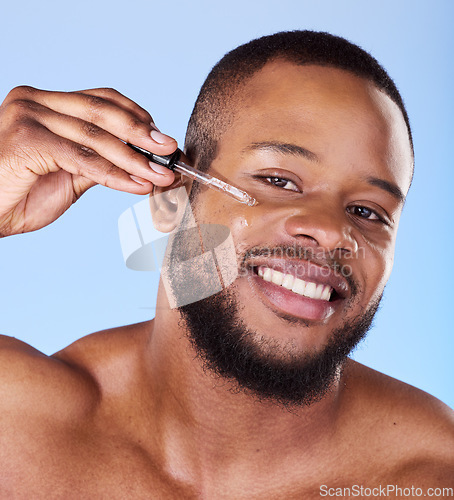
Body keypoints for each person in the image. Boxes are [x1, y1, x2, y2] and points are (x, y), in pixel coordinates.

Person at [0, 30, 452, 498]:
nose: (332, 231)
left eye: (367, 212)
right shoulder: (15, 428)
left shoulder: (433, 477)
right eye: (279, 179)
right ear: (171, 199)